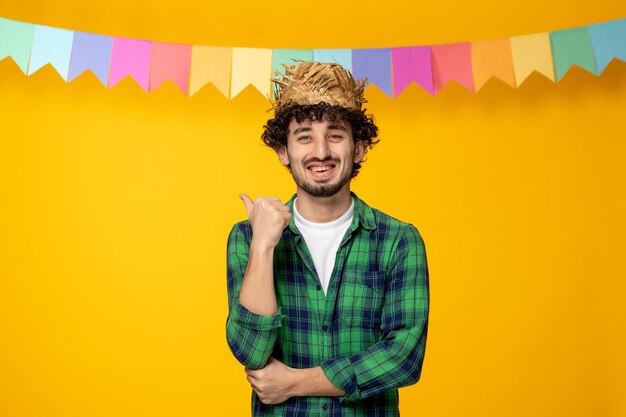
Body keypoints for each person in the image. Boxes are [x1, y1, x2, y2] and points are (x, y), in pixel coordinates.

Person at [225, 61, 429, 416]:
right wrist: (263, 246)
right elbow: (251, 350)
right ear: (283, 151)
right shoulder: (248, 238)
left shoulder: (398, 241)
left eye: (335, 135)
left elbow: (403, 358)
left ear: (360, 147)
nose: (320, 151)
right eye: (304, 136)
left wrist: (294, 381)